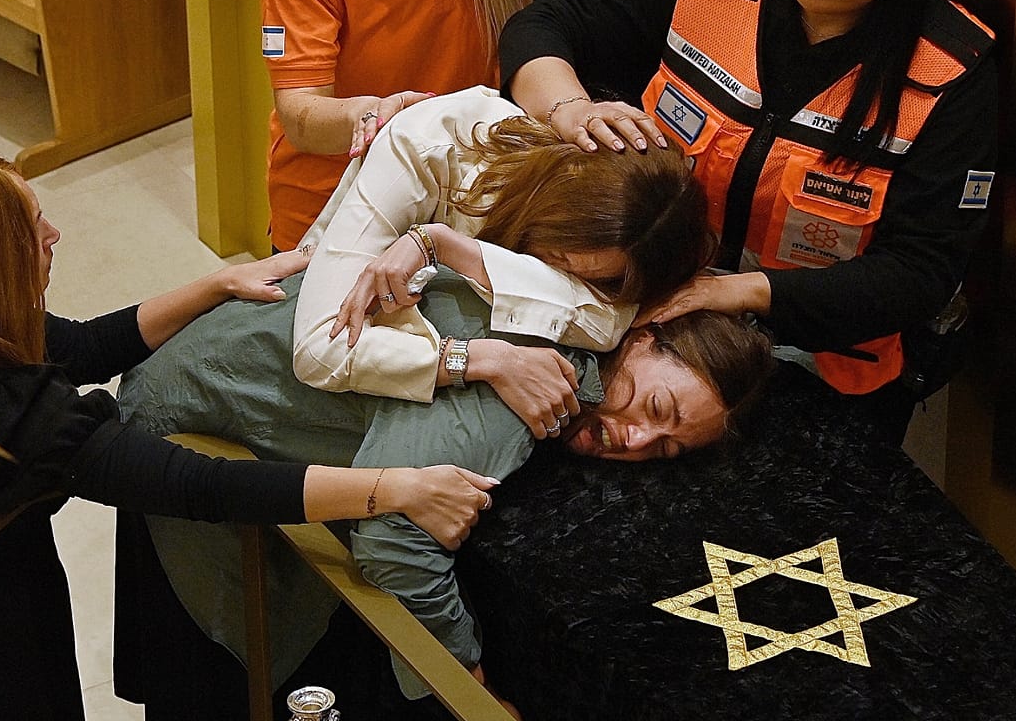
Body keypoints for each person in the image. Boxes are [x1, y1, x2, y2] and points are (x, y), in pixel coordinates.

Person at [0, 145, 499, 721]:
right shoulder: (4, 418)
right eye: (31, 231)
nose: (54, 234)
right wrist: (393, 487)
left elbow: (82, 345)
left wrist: (215, 286)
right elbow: (198, 483)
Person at [116, 266, 773, 715]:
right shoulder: (525, 392)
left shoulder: (571, 303)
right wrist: (471, 685)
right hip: (192, 432)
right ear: (643, 337)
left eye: (664, 447)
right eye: (651, 406)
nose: (632, 439)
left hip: (220, 371)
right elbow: (392, 541)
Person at [499, 0, 999, 442]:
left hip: (824, 371)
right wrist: (570, 110)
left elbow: (921, 272)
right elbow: (547, 22)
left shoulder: (950, 65)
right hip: (645, 333)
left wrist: (741, 293)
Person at [293, 85, 716, 437]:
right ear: (565, 185)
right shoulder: (428, 144)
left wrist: (440, 245)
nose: (557, 272)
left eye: (583, 276)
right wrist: (483, 360)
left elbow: (607, 324)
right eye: (559, 255)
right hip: (304, 292)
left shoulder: (629, 260)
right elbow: (319, 352)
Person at [261, 0, 537, 251]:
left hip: (468, 194)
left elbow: (517, 27)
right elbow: (300, 116)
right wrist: (375, 119)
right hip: (335, 206)